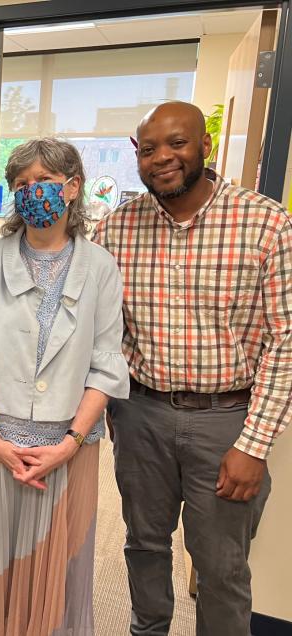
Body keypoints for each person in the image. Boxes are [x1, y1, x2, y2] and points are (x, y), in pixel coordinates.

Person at [94, 100, 291, 635]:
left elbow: (286, 341)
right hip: (141, 416)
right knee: (143, 545)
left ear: (205, 144)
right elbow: (102, 328)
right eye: (149, 148)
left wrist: (254, 445)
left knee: (221, 566)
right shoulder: (116, 229)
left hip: (226, 422)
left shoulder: (266, 223)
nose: (162, 157)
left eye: (177, 143)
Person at [0, 138, 130, 635]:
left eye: (43, 181)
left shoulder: (101, 267)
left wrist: (69, 443)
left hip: (67, 444)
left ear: (73, 187)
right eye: (21, 184)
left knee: (55, 565)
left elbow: (106, 364)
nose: (31, 191)